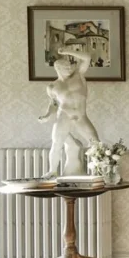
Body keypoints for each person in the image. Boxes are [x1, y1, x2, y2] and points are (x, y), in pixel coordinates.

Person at [38, 48, 99, 177]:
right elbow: (53, 104)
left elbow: (87, 57)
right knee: (57, 142)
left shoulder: (78, 75)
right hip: (64, 115)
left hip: (81, 116)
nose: (70, 69)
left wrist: (67, 52)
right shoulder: (52, 86)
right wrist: (47, 115)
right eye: (66, 67)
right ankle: (52, 171)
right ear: (58, 69)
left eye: (70, 66)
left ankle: (100, 170)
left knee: (95, 143)